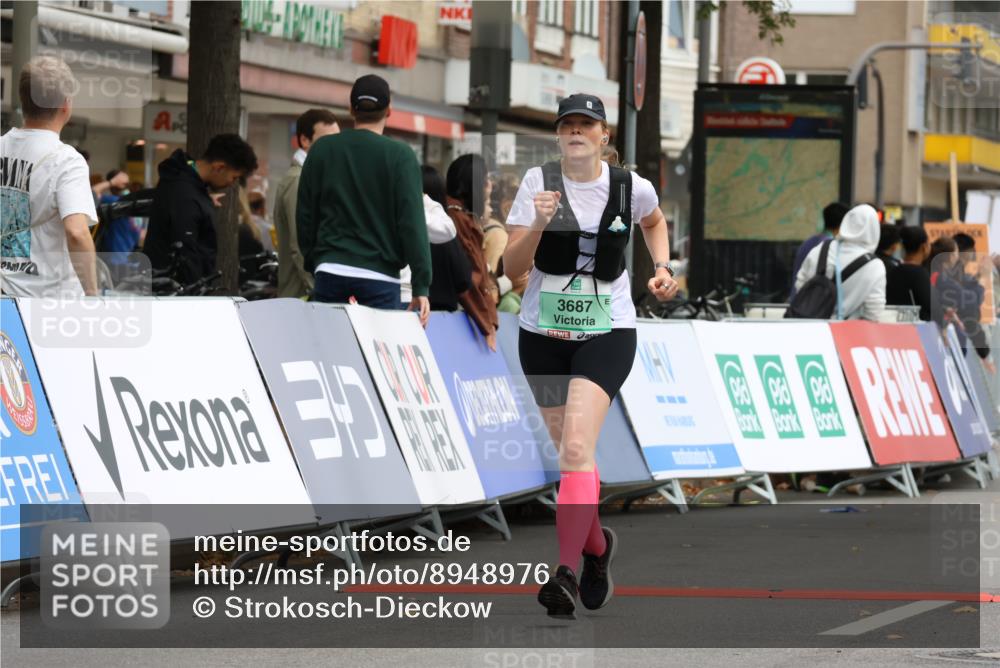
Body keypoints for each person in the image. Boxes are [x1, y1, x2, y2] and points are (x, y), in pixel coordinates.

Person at [502, 93, 677, 618]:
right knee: (572, 456)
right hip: (542, 333)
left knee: (577, 446)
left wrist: (663, 267)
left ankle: (565, 573)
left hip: (608, 331)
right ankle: (598, 550)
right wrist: (536, 225)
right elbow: (512, 269)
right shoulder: (537, 183)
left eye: (587, 124)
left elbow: (654, 222)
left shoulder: (631, 186)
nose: (576, 131)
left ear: (604, 136)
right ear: (559, 136)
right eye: (568, 125)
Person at [297, 74, 430, 326]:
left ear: (350, 109)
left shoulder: (322, 150)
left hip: (330, 268)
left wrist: (314, 258)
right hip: (380, 275)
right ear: (389, 110)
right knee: (377, 357)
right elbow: (412, 223)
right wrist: (421, 284)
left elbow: (305, 213)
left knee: (330, 352)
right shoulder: (400, 156)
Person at [1, 55, 98, 297]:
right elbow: (76, 232)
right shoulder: (66, 161)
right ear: (66, 105)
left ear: (23, 100)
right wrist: (93, 293)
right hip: (50, 303)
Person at [144, 134, 258, 285]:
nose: (232, 183)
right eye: (234, 177)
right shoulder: (187, 196)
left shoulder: (184, 182)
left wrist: (204, 202)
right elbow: (186, 253)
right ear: (219, 167)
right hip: (175, 291)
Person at [273, 108, 339, 298]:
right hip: (301, 297)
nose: (335, 147)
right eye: (327, 140)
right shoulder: (299, 180)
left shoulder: (310, 177)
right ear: (304, 140)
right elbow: (300, 246)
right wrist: (318, 292)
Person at [445, 154, 500, 350]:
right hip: (459, 314)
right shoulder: (458, 220)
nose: (489, 186)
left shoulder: (459, 216)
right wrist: (486, 323)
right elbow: (472, 275)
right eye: (485, 180)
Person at [794, 204, 886, 321]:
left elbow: (800, 284)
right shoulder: (875, 265)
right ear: (874, 230)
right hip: (848, 334)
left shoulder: (821, 248)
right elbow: (874, 312)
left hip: (811, 328)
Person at [930, 237, 993, 371]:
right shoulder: (942, 279)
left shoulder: (939, 275)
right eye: (956, 252)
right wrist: (982, 278)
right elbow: (971, 301)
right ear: (951, 256)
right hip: (947, 345)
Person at [788, 201, 849, 299]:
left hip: (799, 302)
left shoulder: (809, 242)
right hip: (813, 306)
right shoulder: (831, 247)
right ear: (843, 223)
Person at [886, 225, 931, 321]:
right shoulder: (920, 274)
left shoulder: (893, 270)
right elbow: (931, 307)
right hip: (917, 331)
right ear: (924, 247)